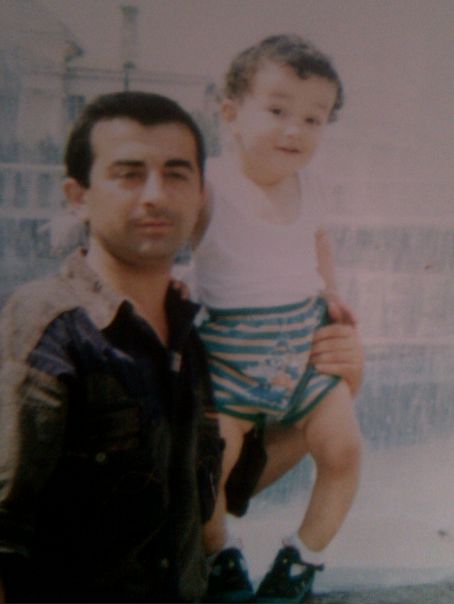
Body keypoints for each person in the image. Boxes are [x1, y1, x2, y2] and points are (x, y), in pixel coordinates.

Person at [0, 91, 225, 603]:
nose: (155, 195)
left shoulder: (187, 335)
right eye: (129, 174)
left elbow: (212, 505)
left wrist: (342, 381)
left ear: (199, 196)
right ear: (77, 196)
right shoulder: (49, 327)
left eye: (176, 174)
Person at [192, 34, 364, 603]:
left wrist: (332, 294)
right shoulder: (210, 183)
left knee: (344, 451)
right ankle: (220, 555)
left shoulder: (310, 185)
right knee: (208, 468)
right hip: (229, 359)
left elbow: (318, 242)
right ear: (231, 115)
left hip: (303, 347)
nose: (296, 130)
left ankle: (302, 559)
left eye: (313, 119)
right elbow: (172, 232)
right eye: (278, 111)